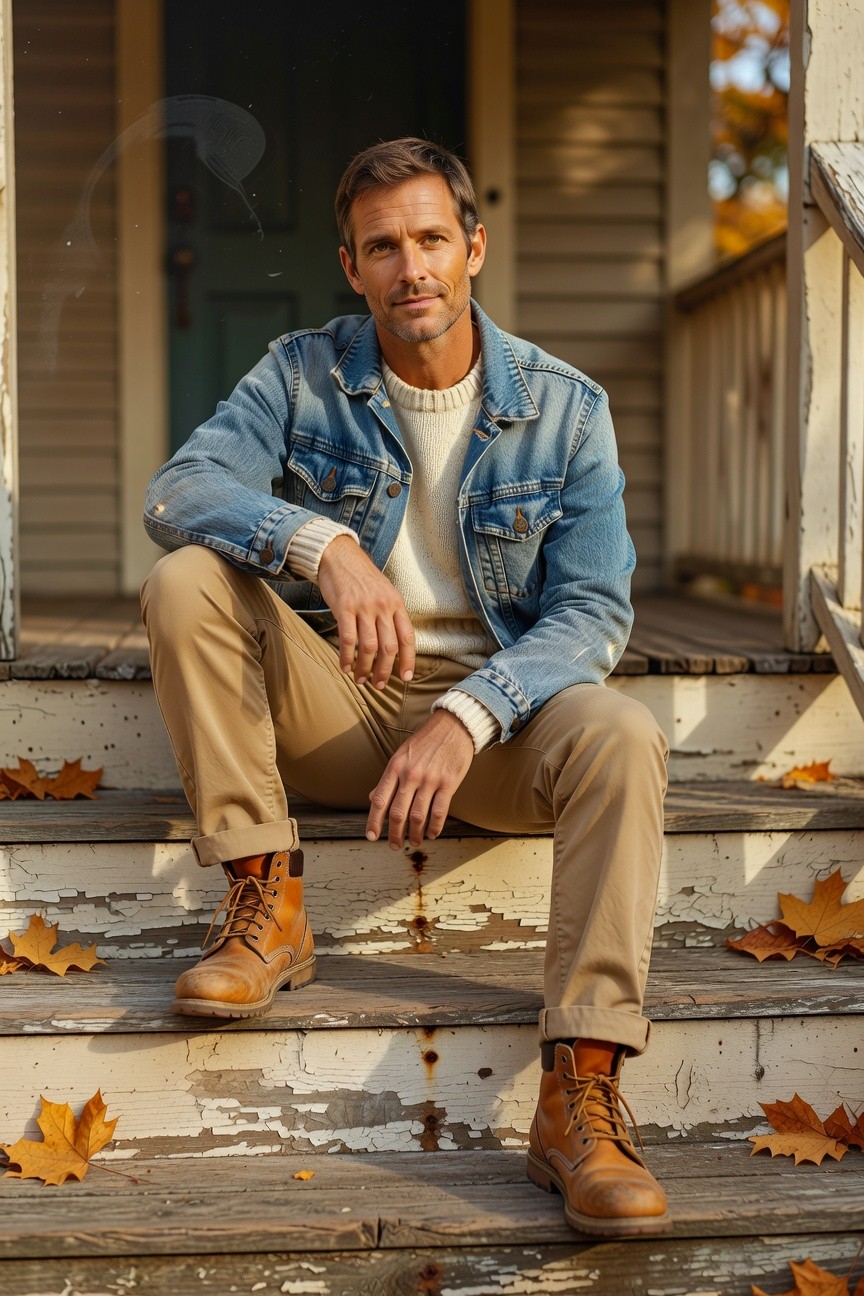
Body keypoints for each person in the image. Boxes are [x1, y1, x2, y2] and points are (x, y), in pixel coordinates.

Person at [141, 137, 670, 1239]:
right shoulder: (301, 373)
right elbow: (181, 488)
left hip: (499, 731)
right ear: (352, 266)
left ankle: (581, 1095)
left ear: (474, 246)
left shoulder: (566, 410)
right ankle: (266, 903)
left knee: (620, 732)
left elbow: (593, 614)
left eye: (431, 238)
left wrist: (470, 712)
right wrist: (320, 542)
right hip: (341, 701)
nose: (410, 267)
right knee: (188, 576)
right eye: (383, 247)